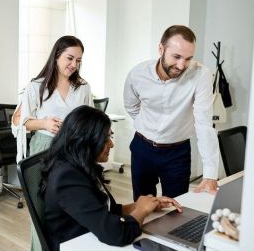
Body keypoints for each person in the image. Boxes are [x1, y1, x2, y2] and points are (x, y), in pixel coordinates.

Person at [39, 105, 182, 251]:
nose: (111, 144)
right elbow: (117, 234)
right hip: (78, 244)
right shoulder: (66, 177)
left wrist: (146, 205)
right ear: (86, 140)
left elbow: (106, 210)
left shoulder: (80, 165)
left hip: (91, 238)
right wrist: (141, 211)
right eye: (106, 138)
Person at [123, 25, 220, 201]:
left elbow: (203, 123)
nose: (182, 65)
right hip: (142, 149)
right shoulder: (137, 74)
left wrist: (210, 173)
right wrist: (148, 127)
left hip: (177, 154)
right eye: (176, 57)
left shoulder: (201, 75)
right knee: (143, 207)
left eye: (188, 58)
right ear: (161, 49)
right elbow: (131, 106)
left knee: (177, 210)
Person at [20, 35, 93, 251]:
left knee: (73, 206)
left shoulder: (83, 87)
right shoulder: (36, 86)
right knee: (41, 209)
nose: (74, 65)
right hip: (44, 148)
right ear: (56, 56)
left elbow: (89, 119)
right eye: (70, 58)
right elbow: (23, 123)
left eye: (78, 61)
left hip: (74, 152)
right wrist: (43, 123)